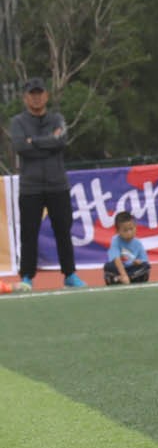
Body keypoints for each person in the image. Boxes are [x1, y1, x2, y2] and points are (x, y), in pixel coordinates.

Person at [8, 80, 85, 291]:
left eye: (39, 93)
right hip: (30, 186)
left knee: (63, 230)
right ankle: (27, 277)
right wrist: (47, 141)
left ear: (46, 96)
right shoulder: (17, 122)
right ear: (25, 98)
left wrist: (35, 141)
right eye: (32, 94)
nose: (36, 97)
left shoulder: (57, 118)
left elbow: (61, 141)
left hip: (58, 184)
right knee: (29, 233)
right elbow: (21, 147)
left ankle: (69, 274)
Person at [103, 210, 151, 286]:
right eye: (125, 230)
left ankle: (120, 279)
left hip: (132, 269)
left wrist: (139, 262)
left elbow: (144, 260)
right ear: (118, 231)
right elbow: (117, 259)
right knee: (108, 266)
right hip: (119, 269)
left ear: (135, 227)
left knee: (146, 266)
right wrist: (124, 275)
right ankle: (126, 278)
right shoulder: (115, 240)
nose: (129, 233)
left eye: (131, 229)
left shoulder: (137, 243)